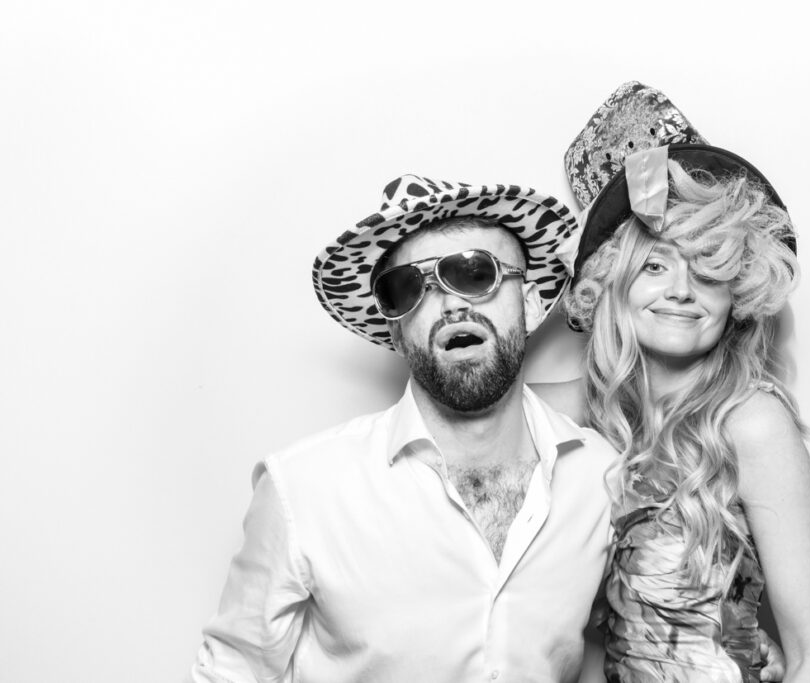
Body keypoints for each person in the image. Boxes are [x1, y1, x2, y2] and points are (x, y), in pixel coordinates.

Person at [187, 174, 618, 682]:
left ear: (528, 302)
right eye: (408, 288)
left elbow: (620, 650)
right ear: (394, 327)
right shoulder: (303, 490)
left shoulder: (601, 482)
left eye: (476, 273)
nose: (452, 304)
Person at [535, 82, 810, 682]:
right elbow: (471, 412)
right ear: (612, 286)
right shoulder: (589, 410)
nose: (681, 289)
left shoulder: (750, 423)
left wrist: (741, 641)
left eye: (707, 269)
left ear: (737, 295)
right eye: (655, 265)